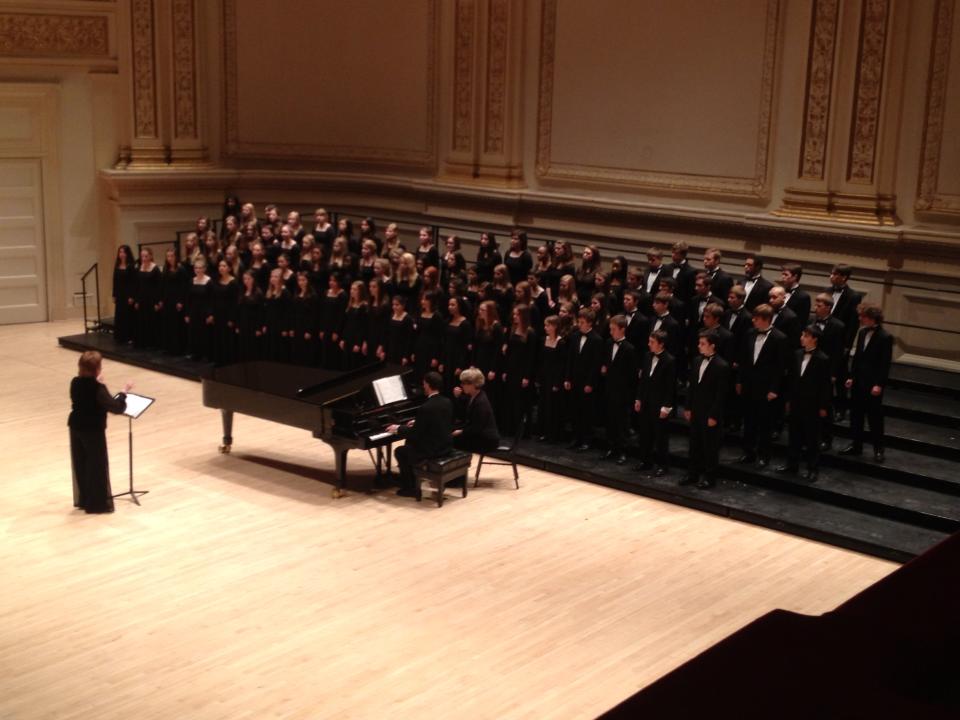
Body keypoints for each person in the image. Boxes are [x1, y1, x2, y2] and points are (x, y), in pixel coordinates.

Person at [68, 351, 132, 514]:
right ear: (97, 368)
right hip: (92, 430)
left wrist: (99, 384)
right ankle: (96, 504)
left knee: (82, 462)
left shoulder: (75, 382)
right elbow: (116, 407)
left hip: (75, 427)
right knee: (96, 465)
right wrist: (124, 393)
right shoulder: (98, 388)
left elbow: (86, 397)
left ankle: (85, 499)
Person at [777, 326, 832, 481]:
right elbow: (792, 380)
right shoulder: (797, 354)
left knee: (812, 439)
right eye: (802, 334)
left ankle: (812, 468)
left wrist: (823, 406)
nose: (801, 337)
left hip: (812, 405)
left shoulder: (823, 359)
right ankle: (791, 465)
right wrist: (788, 400)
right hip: (796, 402)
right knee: (794, 436)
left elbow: (825, 385)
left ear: (814, 338)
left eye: (805, 335)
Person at [736, 304, 788, 468]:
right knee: (749, 421)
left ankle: (764, 456)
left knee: (765, 424)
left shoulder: (780, 338)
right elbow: (743, 360)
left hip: (766, 389)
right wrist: (739, 380)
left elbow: (780, 367)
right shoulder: (749, 333)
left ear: (766, 320)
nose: (753, 320)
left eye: (756, 318)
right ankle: (748, 452)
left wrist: (774, 389)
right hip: (749, 385)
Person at [388, 372, 454, 499]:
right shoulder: (447, 401)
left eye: (424, 384)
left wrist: (398, 428)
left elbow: (415, 434)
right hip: (445, 446)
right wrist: (417, 422)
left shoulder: (426, 407)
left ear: (428, 385)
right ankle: (411, 479)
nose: (423, 386)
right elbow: (437, 422)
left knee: (400, 451)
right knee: (409, 445)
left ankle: (410, 488)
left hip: (432, 450)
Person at [841, 303, 893, 462]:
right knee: (856, 416)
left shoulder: (885, 337)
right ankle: (856, 445)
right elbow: (857, 357)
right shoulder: (862, 332)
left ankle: (879, 449)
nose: (860, 319)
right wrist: (851, 376)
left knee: (874, 419)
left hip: (872, 385)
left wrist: (879, 384)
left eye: (862, 316)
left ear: (871, 317)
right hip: (859, 382)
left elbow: (885, 364)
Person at [683, 331, 730, 489]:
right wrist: (688, 407)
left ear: (712, 346)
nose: (699, 346)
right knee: (694, 444)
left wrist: (713, 415)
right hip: (696, 409)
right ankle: (692, 474)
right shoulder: (696, 361)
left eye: (702, 343)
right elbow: (692, 387)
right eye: (699, 343)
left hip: (710, 412)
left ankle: (709, 478)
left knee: (710, 447)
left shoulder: (722, 366)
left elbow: (721, 395)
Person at [634, 330, 675, 477]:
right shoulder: (647, 356)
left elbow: (670, 387)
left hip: (660, 404)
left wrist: (666, 407)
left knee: (660, 437)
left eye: (652, 342)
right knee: (645, 433)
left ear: (661, 344)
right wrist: (638, 398)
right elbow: (643, 380)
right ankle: (645, 461)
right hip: (646, 401)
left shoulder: (669, 360)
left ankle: (663, 465)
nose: (648, 344)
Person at [599, 315, 638, 464]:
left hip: (622, 393)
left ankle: (623, 451)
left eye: (613, 329)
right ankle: (611, 448)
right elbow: (606, 362)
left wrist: (627, 394)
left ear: (622, 329)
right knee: (610, 422)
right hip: (609, 390)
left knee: (622, 424)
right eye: (610, 329)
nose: (610, 332)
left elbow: (632, 375)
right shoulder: (608, 343)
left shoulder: (629, 349)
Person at [452, 368, 500, 453]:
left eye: (464, 383)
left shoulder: (480, 402)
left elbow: (476, 428)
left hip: (486, 440)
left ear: (473, 384)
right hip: (479, 434)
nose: (461, 385)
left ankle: (457, 464)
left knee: (450, 440)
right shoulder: (474, 395)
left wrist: (460, 431)